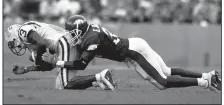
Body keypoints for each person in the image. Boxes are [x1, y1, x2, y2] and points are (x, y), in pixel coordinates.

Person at [42, 15, 221, 92]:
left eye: (72, 33)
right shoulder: (88, 34)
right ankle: (209, 75)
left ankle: (205, 82)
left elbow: (81, 65)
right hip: (134, 48)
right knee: (165, 71)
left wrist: (56, 62)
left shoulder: (91, 39)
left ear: (80, 30)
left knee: (163, 82)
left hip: (134, 51)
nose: (71, 37)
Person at [5, 21, 117, 90]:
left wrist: (38, 60)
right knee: (60, 86)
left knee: (66, 83)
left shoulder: (22, 31)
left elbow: (42, 44)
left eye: (12, 42)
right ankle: (97, 82)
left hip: (64, 42)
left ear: (15, 36)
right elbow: (49, 66)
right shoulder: (33, 45)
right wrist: (27, 69)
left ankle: (101, 76)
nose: (14, 46)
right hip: (65, 44)